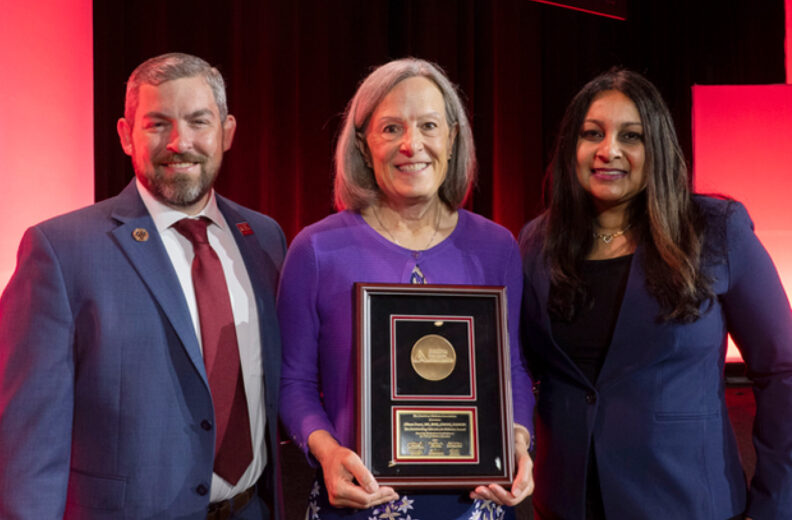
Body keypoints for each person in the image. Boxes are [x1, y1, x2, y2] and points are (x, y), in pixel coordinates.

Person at [0, 52, 286, 519]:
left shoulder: (266, 239)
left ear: (227, 132)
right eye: (157, 124)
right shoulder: (59, 251)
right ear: (125, 136)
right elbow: (28, 443)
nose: (180, 142)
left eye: (199, 122)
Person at [519, 68, 792, 519]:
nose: (609, 151)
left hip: (685, 501)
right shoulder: (536, 243)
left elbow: (782, 370)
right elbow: (517, 368)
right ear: (573, 147)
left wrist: (776, 505)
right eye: (592, 134)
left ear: (658, 148)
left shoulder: (716, 230)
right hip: (566, 504)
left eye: (632, 136)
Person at [277, 58, 535, 519]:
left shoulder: (496, 247)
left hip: (476, 506)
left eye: (429, 125)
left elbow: (512, 368)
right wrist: (328, 453)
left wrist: (516, 440)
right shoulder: (316, 250)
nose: (411, 145)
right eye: (390, 128)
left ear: (453, 139)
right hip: (358, 501)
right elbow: (293, 382)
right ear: (363, 143)